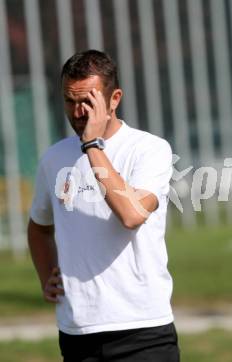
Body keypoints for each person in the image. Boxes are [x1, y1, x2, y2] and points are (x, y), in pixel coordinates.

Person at [27, 50, 179, 361]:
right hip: (77, 333)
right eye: (70, 101)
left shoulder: (149, 150)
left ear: (114, 99)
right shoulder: (54, 158)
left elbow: (132, 214)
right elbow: (39, 227)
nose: (78, 111)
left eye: (88, 101)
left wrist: (92, 146)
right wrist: (47, 276)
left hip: (144, 331)